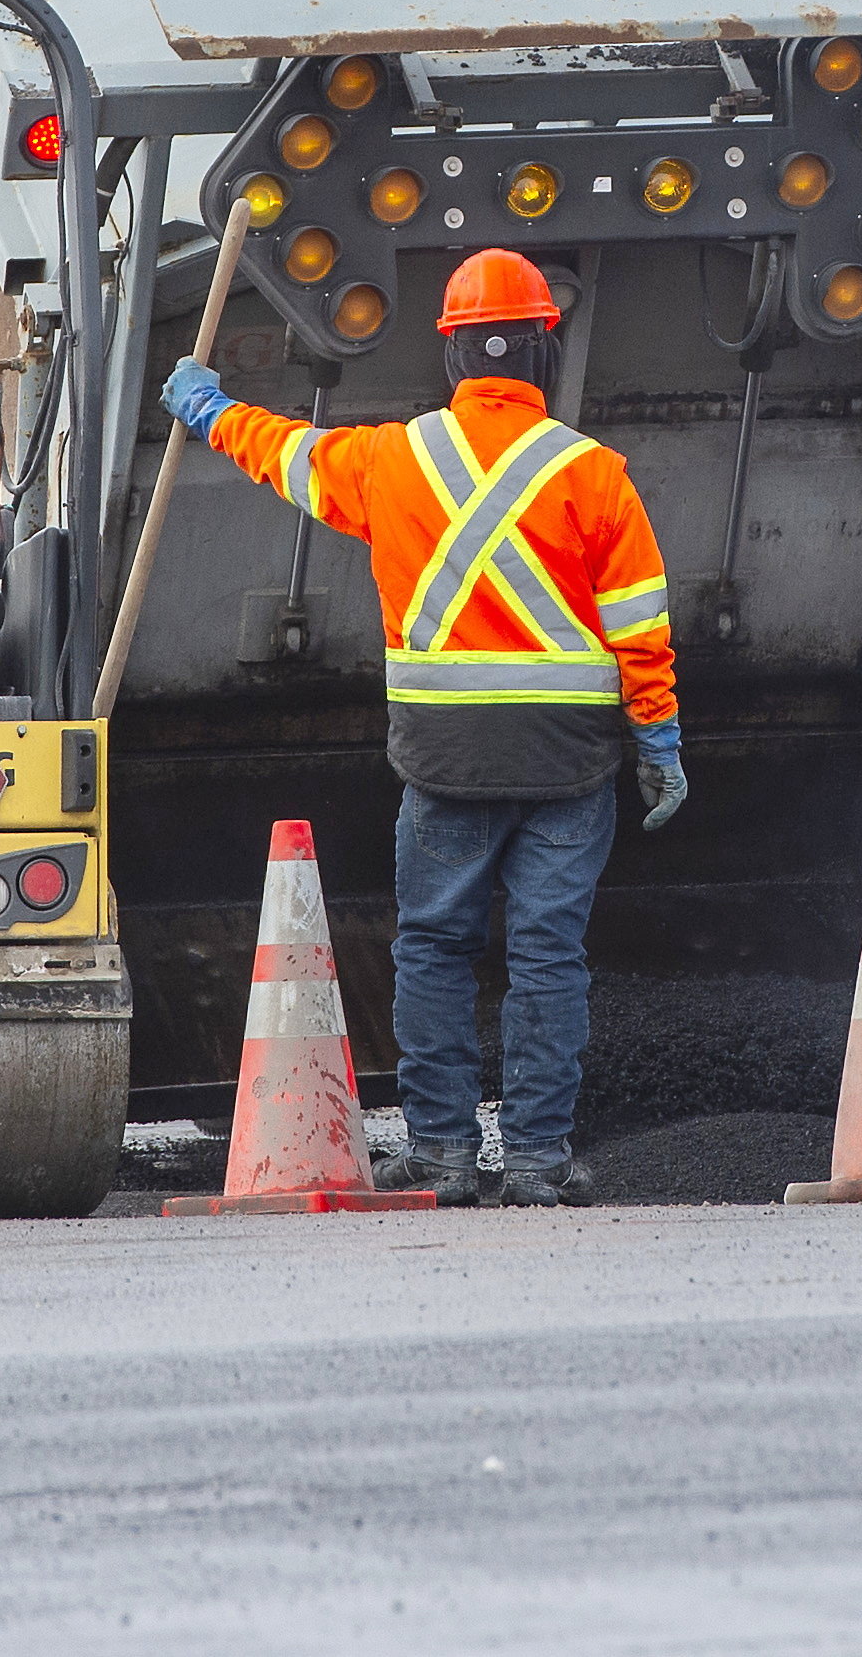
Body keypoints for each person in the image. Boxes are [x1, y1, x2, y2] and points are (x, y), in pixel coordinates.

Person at [165, 247, 680, 1207]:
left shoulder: (390, 458)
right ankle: (534, 1162)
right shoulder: (595, 473)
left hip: (444, 761)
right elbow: (641, 624)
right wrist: (657, 739)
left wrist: (207, 408)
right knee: (548, 955)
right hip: (569, 765)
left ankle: (441, 1154)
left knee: (435, 948)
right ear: (542, 349)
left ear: (452, 355)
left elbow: (281, 452)